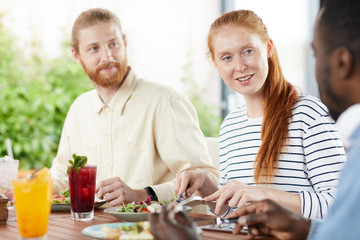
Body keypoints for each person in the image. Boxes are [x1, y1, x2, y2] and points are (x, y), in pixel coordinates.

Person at [150, 0, 360, 239]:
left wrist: (259, 193)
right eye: (227, 57)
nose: (240, 66)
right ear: (215, 63)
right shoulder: (230, 125)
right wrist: (208, 187)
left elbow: (338, 207)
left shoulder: (308, 113)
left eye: (248, 51)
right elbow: (235, 211)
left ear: (268, 48)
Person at [49, 8, 219, 205]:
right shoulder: (79, 109)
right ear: (76, 56)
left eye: (113, 44)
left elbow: (205, 180)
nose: (107, 56)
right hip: (93, 229)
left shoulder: (164, 101)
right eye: (94, 48)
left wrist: (143, 194)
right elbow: (62, 178)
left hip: (155, 230)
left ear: (125, 43)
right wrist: (16, 188)